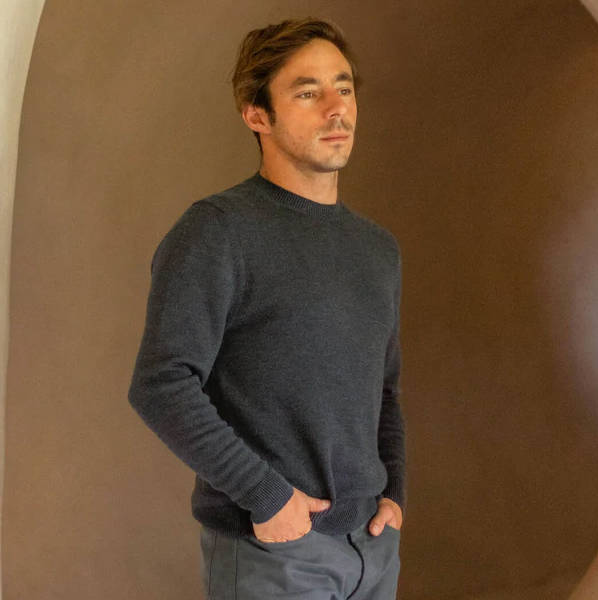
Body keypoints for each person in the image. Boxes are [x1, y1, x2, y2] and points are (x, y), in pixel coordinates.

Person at [128, 17, 405, 600]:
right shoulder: (216, 232)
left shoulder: (377, 249)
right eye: (307, 92)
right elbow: (161, 383)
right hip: (276, 552)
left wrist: (393, 494)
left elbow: (383, 390)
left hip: (375, 551)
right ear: (258, 115)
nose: (337, 108)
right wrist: (267, 496)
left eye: (344, 87)